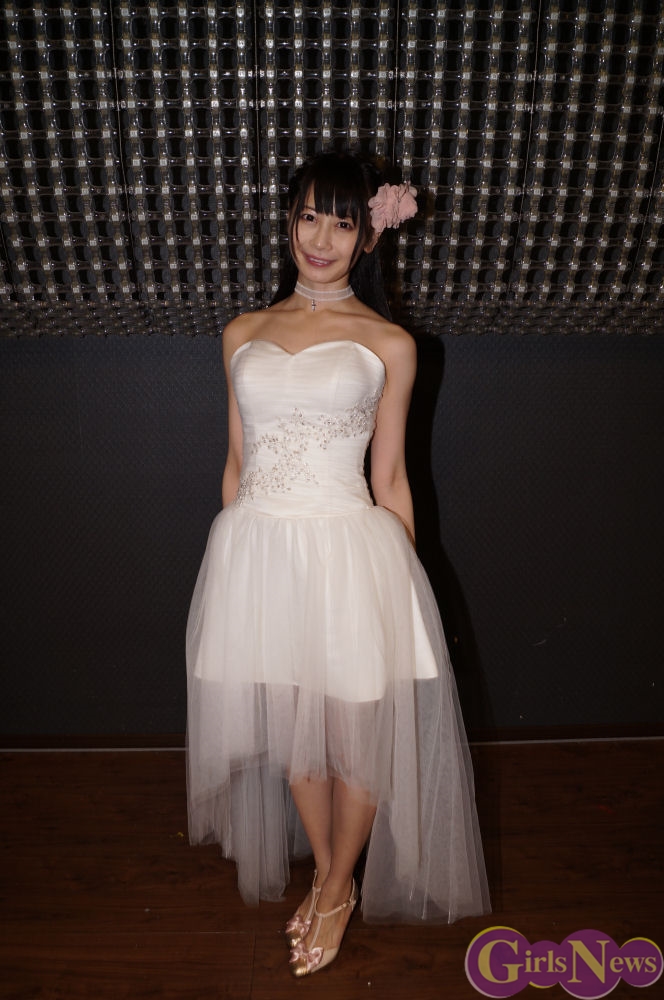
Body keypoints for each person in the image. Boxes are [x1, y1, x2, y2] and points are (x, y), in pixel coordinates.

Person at [186, 150, 490, 977]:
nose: (321, 238)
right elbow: (236, 463)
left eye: (343, 222)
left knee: (357, 737)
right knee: (298, 737)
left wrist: (406, 593)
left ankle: (336, 886)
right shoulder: (242, 332)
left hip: (351, 555)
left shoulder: (388, 343)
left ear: (368, 239)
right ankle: (329, 873)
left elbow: (390, 478)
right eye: (309, 217)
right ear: (289, 223)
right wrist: (234, 565)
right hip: (258, 553)